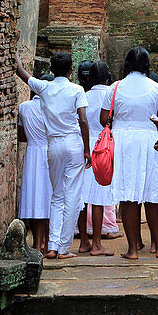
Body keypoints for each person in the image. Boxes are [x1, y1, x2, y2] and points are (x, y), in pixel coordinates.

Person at [14, 50, 90, 260]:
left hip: (53, 145)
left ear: (50, 70)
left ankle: (52, 246)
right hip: (73, 143)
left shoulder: (44, 87)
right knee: (72, 196)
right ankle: (63, 247)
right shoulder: (77, 89)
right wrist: (87, 149)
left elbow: (21, 72)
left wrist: (14, 51)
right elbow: (83, 120)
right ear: (70, 70)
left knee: (57, 196)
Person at [100, 46, 158, 260]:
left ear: (127, 65)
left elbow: (103, 119)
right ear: (147, 66)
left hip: (124, 143)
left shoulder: (115, 88)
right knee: (152, 196)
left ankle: (132, 249)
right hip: (150, 142)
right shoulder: (156, 88)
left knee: (128, 197)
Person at [78, 60, 115, 256]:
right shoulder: (110, 95)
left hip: (84, 145)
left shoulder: (83, 95)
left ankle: (84, 241)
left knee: (83, 195)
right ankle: (97, 243)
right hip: (104, 146)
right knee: (100, 196)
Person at [17, 80, 52, 255]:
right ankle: (48, 242)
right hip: (50, 151)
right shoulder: (53, 107)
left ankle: (37, 243)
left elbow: (22, 136)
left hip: (32, 153)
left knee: (35, 198)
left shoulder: (24, 107)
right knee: (50, 197)